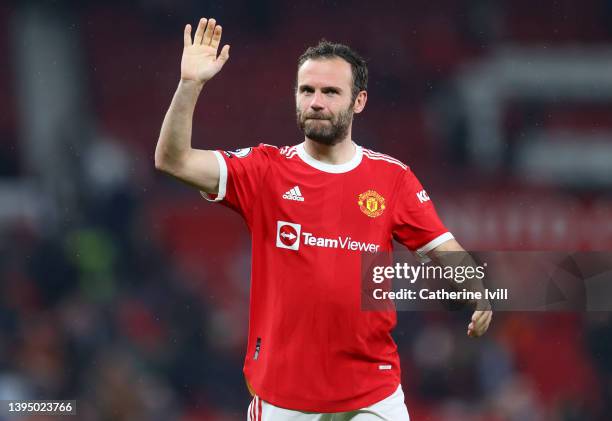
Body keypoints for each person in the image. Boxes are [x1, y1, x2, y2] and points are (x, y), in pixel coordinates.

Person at [155, 17, 493, 421]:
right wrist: (190, 85)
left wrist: (477, 289)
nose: (316, 102)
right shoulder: (265, 170)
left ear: (359, 101)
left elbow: (443, 247)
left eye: (331, 92)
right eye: (307, 90)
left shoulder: (391, 178)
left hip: (372, 393)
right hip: (283, 397)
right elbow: (172, 160)